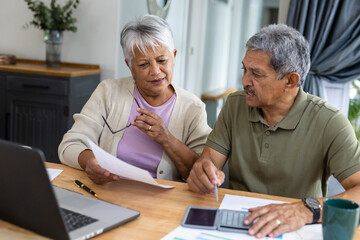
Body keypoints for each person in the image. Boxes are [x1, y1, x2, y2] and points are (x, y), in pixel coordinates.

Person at [187, 24, 360, 238]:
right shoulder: (234, 105)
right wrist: (202, 173)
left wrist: (306, 210)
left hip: (296, 230)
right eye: (245, 70)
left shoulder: (330, 121)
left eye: (256, 74)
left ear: (291, 80)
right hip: (237, 224)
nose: (244, 81)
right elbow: (208, 164)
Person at [58, 15, 211, 184]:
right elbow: (69, 146)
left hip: (162, 201)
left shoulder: (193, 108)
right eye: (143, 64)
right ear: (130, 66)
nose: (155, 71)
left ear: (173, 57)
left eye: (162, 61)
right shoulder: (108, 91)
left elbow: (202, 173)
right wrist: (91, 162)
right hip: (108, 191)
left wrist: (167, 139)